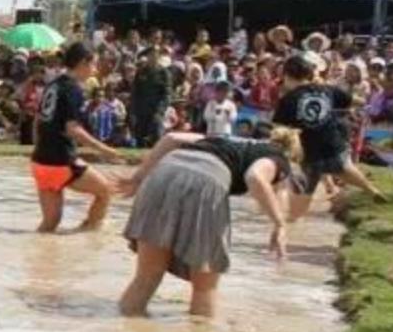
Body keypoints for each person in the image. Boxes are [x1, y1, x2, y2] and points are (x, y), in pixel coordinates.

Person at [117, 130, 302, 318]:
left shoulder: (223, 137)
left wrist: (137, 178)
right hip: (207, 180)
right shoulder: (277, 158)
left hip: (162, 172)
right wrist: (279, 224)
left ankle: (126, 331)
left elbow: (171, 138)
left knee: (147, 276)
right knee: (204, 286)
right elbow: (254, 177)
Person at [31, 42, 127, 233]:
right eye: (94, 64)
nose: (94, 69)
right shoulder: (73, 89)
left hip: (40, 162)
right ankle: (89, 234)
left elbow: (38, 120)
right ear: (83, 62)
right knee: (106, 190)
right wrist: (104, 150)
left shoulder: (53, 84)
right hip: (62, 161)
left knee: (49, 224)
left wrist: (39, 147)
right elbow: (73, 128)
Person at [273, 53, 384, 211]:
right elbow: (354, 101)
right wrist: (366, 104)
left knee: (304, 194)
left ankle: (291, 221)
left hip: (310, 154)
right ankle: (371, 190)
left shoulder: (287, 100)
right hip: (334, 144)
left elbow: (279, 131)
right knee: (345, 169)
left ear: (287, 75)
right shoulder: (327, 89)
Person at [130, 50, 171, 147]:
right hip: (142, 109)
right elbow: (135, 93)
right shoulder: (141, 72)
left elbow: (167, 94)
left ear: (158, 58)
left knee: (156, 134)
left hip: (156, 108)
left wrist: (160, 110)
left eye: (155, 56)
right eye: (150, 56)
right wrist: (134, 110)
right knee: (139, 136)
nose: (152, 58)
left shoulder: (163, 73)